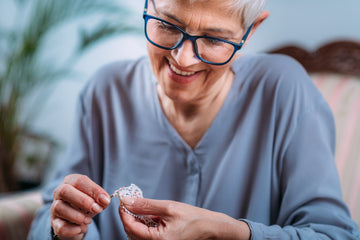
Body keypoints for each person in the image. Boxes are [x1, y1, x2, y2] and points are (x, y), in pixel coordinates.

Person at [28, 0, 360, 239]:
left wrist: (225, 232)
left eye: (214, 39)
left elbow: (333, 234)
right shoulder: (105, 91)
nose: (182, 59)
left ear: (251, 28)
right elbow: (48, 217)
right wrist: (61, 230)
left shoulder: (285, 91)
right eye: (167, 26)